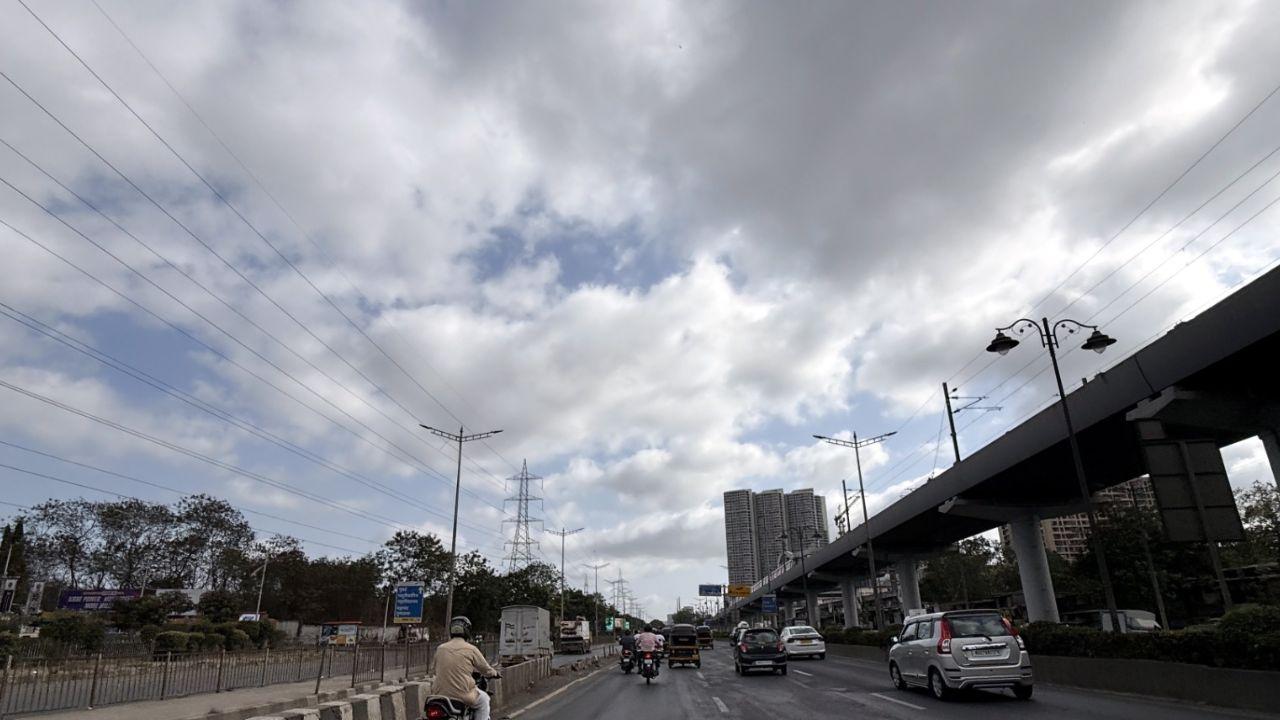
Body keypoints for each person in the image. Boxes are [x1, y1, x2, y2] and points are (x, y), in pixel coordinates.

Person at [431, 616, 499, 720]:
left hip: (439, 695)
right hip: (462, 695)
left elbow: (434, 669)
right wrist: (494, 673)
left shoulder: (440, 648)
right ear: (467, 631)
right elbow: (486, 669)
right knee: (484, 699)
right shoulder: (471, 649)